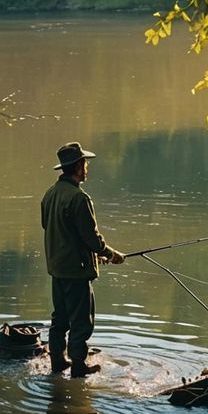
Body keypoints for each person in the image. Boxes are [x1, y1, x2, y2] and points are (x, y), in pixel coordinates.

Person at [41, 141, 124, 377]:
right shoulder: (79, 199)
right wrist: (110, 254)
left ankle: (57, 361)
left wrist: (95, 253)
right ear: (78, 166)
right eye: (85, 163)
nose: (87, 167)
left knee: (60, 319)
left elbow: (54, 228)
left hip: (57, 269)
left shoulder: (50, 194)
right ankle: (79, 365)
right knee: (81, 321)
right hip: (76, 272)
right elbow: (91, 238)